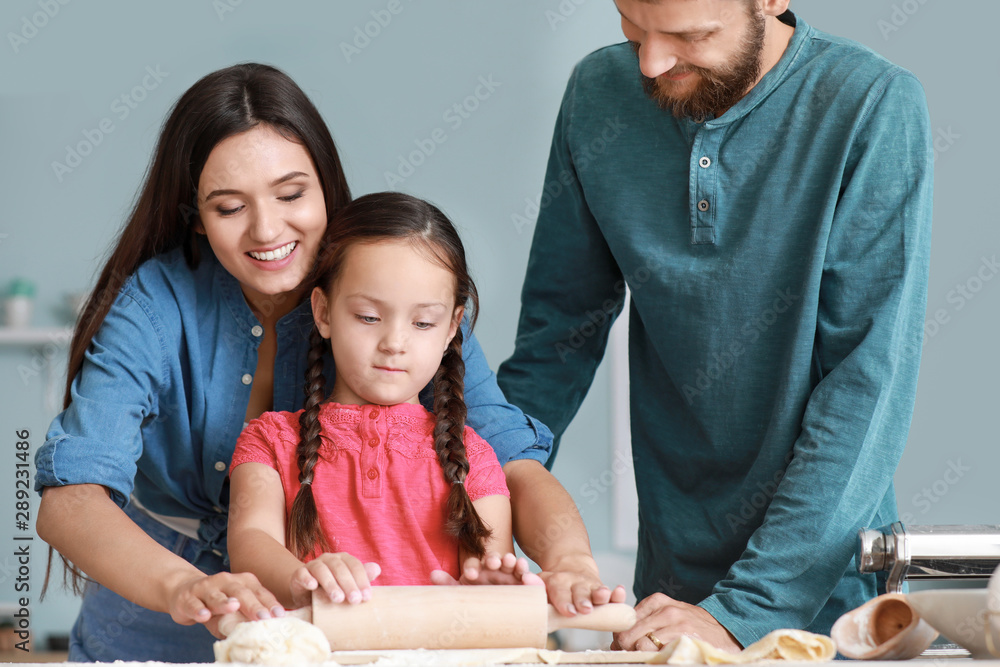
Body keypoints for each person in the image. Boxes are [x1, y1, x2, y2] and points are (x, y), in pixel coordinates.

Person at [34, 63, 622, 663]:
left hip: (332, 622)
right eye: (229, 207)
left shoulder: (395, 292)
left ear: (326, 184)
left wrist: (570, 563)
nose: (267, 229)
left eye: (291, 194)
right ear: (195, 214)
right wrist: (183, 587)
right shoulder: (154, 306)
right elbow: (71, 498)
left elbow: (510, 463)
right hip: (155, 592)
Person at [497, 0, 933, 653]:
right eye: (631, 24)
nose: (650, 61)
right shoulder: (599, 93)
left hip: (819, 598)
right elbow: (555, 340)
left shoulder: (870, 106)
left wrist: (746, 607)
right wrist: (464, 503)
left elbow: (865, 383)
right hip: (666, 592)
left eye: (687, 36)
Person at [228, 193, 531, 608]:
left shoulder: (473, 458)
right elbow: (251, 540)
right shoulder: (269, 441)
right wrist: (304, 578)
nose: (394, 343)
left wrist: (492, 594)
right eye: (369, 317)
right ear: (324, 312)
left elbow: (488, 572)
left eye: (423, 322)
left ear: (451, 328)